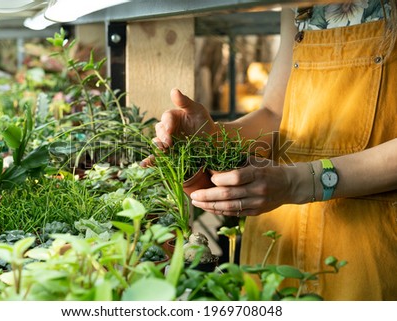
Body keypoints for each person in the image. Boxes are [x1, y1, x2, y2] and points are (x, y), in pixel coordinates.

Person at [145, 0, 397, 300]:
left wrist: (296, 182)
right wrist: (213, 135)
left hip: (365, 241)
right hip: (278, 231)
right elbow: (276, 115)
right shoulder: (296, 6)